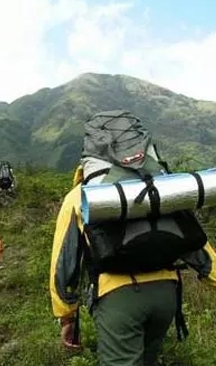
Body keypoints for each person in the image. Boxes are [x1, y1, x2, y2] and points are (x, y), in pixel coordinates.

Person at [49, 110, 216, 366]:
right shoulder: (162, 186)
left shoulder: (83, 196)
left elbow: (64, 260)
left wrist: (67, 315)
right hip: (166, 295)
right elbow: (197, 246)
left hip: (119, 299)